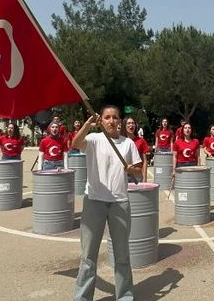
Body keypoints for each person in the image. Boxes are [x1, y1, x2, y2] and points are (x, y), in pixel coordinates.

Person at [72, 106, 143, 301]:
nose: (112, 121)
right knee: (88, 256)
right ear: (101, 121)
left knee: (122, 255)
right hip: (94, 201)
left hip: (120, 203)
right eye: (107, 117)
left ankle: (125, 297)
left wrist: (132, 170)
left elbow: (139, 171)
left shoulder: (128, 144)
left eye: (115, 118)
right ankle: (82, 297)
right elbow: (75, 143)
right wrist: (88, 123)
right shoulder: (94, 139)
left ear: (120, 121)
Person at [122, 116, 150, 182]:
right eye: (128, 123)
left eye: (133, 123)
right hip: (123, 175)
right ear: (124, 126)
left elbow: (145, 161)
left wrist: (145, 178)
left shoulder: (141, 141)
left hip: (136, 175)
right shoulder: (121, 141)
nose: (131, 125)